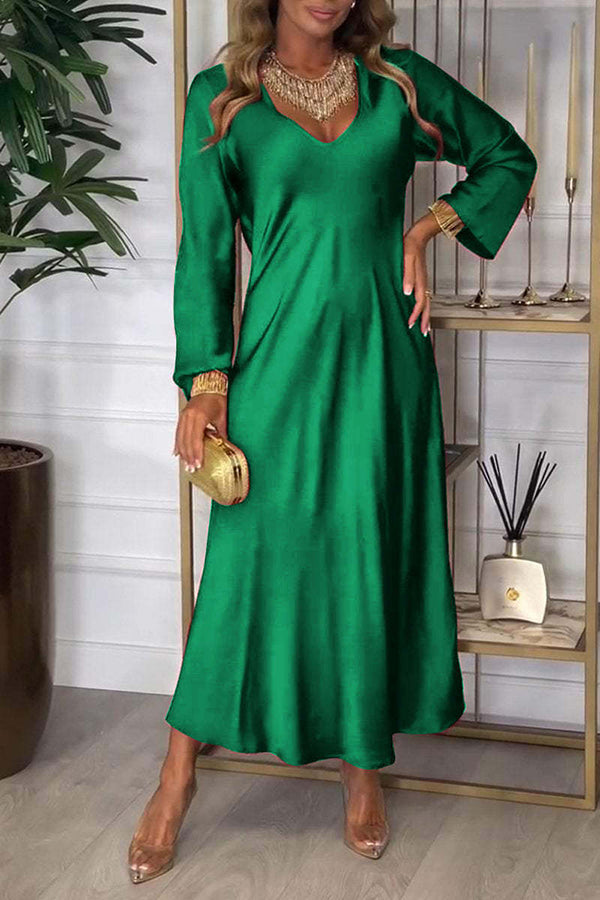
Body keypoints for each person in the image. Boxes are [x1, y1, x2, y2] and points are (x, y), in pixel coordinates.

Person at [128, 0, 537, 883]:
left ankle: (362, 767)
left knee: (364, 553)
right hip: (276, 366)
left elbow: (508, 154)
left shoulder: (397, 84)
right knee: (246, 568)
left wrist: (429, 225)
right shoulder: (222, 100)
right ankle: (176, 777)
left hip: (385, 365)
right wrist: (205, 382)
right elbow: (206, 251)